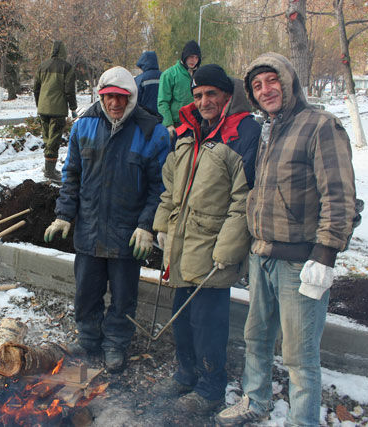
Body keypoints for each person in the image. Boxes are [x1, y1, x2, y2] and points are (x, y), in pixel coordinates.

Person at [215, 53, 357, 426]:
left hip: (300, 264)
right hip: (262, 255)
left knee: (299, 355)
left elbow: (339, 198)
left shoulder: (320, 126)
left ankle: (303, 420)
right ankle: (255, 400)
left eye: (271, 81)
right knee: (256, 338)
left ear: (289, 81)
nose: (266, 90)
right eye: (257, 85)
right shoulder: (268, 130)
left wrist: (325, 255)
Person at [43, 66, 170, 373]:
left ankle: (115, 342)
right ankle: (89, 340)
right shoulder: (83, 126)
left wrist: (147, 225)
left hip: (128, 233)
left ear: (132, 97)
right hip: (89, 227)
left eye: (122, 97)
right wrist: (64, 214)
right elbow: (71, 173)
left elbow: (160, 186)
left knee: (124, 296)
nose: (115, 103)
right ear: (100, 96)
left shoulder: (152, 132)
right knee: (86, 290)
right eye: (109, 96)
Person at [152, 64, 260, 414]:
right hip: (183, 241)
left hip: (214, 246)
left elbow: (243, 198)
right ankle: (186, 373)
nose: (203, 101)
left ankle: (211, 387)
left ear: (226, 95)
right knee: (182, 316)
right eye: (198, 95)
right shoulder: (188, 132)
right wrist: (161, 226)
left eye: (211, 94)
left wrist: (227, 248)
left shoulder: (243, 132)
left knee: (208, 322)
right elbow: (172, 187)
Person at [34, 40, 78, 183]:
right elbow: (69, 90)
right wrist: (73, 108)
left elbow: (36, 88)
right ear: (63, 51)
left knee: (47, 139)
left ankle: (49, 168)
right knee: (54, 140)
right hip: (58, 110)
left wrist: (39, 105)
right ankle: (50, 172)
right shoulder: (67, 67)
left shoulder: (42, 66)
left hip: (43, 108)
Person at [157, 40, 201, 140]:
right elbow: (162, 102)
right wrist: (168, 125)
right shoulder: (169, 74)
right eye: (191, 56)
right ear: (184, 56)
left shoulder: (199, 75)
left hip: (196, 124)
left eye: (196, 57)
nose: (193, 60)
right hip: (177, 126)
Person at [134, 51, 162, 119]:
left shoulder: (139, 79)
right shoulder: (164, 76)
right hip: (162, 117)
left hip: (145, 118)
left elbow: (135, 100)